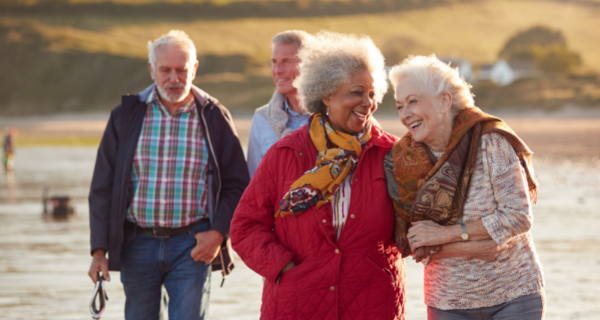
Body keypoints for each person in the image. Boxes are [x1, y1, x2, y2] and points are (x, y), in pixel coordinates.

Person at [231, 31, 406, 320]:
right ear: (326, 94)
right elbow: (245, 226)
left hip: (372, 302)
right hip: (298, 302)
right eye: (357, 92)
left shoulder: (393, 153)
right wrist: (283, 267)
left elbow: (416, 226)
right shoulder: (284, 153)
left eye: (372, 94)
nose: (368, 102)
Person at [87, 30, 249, 320]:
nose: (174, 78)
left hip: (194, 244)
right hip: (136, 245)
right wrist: (99, 251)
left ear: (194, 68)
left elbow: (237, 183)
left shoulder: (214, 116)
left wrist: (218, 233)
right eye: (165, 70)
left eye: (181, 69)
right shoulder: (125, 116)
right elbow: (103, 188)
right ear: (152, 69)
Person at [385, 55, 545, 320]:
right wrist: (473, 246)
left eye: (413, 101)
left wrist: (445, 234)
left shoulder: (491, 141)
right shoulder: (402, 160)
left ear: (444, 101)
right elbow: (413, 241)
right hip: (447, 302)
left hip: (514, 295)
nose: (405, 114)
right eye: (400, 106)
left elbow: (517, 216)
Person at [246, 30, 312, 178]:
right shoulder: (261, 120)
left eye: (286, 62)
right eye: (274, 62)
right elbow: (254, 185)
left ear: (309, 65)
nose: (277, 70)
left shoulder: (337, 116)